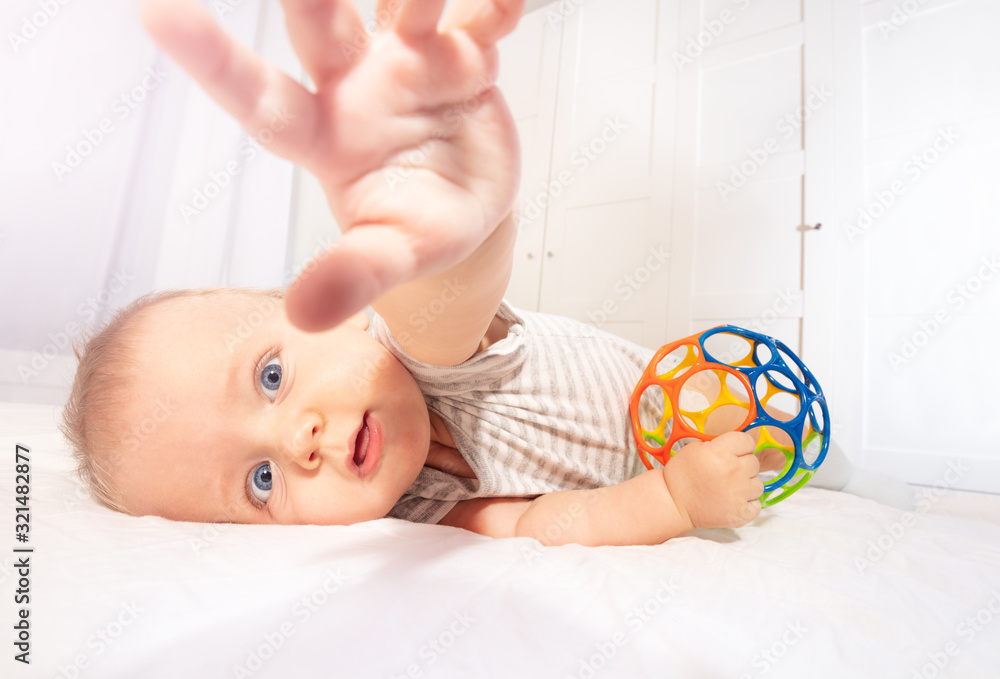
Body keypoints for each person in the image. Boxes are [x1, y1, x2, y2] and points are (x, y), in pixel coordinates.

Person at [60, 0, 912, 548]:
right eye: (260, 481)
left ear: (339, 311)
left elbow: (445, 301)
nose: (298, 441)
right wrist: (674, 505)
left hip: (684, 387)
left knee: (819, 459)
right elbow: (544, 521)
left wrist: (442, 214)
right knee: (765, 475)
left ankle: (860, 476)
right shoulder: (418, 509)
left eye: (271, 376)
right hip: (671, 459)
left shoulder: (418, 348)